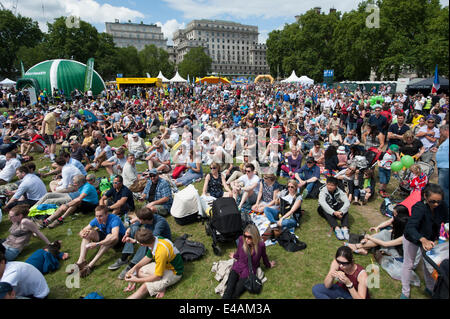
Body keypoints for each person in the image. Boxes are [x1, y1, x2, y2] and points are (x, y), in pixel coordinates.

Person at [400, 184, 449, 299]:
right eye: (433, 201)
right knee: (409, 264)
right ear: (425, 197)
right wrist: (422, 239)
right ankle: (405, 292)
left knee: (429, 265)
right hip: (413, 237)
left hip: (430, 239)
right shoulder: (419, 207)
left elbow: (447, 220)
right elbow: (410, 228)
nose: (436, 204)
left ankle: (430, 288)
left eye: (439, 201)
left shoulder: (443, 206)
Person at [110, 207, 172, 280]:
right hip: (150, 237)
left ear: (145, 220)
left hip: (160, 242)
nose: (138, 220)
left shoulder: (160, 222)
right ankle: (124, 258)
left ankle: (132, 266)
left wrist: (136, 241)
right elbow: (135, 224)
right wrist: (128, 230)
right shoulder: (147, 219)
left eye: (139, 219)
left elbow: (152, 240)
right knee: (134, 229)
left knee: (145, 241)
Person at [123, 228, 184, 299]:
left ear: (142, 244)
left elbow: (157, 276)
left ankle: (161, 285)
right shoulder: (155, 239)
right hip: (164, 266)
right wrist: (134, 268)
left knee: (144, 287)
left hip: (174, 272)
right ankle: (160, 285)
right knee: (139, 271)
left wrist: (136, 280)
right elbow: (148, 257)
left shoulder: (160, 252)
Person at [222, 224, 275, 299]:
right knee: (228, 290)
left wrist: (269, 265)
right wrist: (234, 256)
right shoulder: (241, 239)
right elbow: (238, 252)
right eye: (245, 236)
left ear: (255, 237)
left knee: (236, 293)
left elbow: (264, 256)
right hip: (238, 267)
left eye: (249, 237)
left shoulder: (261, 245)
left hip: (248, 272)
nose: (246, 239)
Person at [72, 205, 126, 278]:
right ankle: (81, 261)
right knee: (88, 233)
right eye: (96, 216)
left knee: (109, 237)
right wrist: (82, 233)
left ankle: (90, 266)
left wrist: (97, 244)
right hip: (106, 236)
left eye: (100, 216)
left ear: (107, 214)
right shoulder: (96, 219)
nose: (98, 218)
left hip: (120, 241)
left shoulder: (114, 219)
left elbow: (115, 236)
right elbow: (84, 229)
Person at [345, 204, 410, 256]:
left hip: (399, 253)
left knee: (381, 237)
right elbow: (389, 229)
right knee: (384, 232)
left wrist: (369, 237)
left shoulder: (405, 236)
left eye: (395, 214)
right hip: (395, 243)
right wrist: (369, 238)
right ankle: (362, 248)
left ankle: (356, 246)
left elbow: (385, 244)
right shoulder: (400, 223)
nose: (393, 216)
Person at [318, 176, 351, 241]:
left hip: (335, 207)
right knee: (323, 208)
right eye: (328, 184)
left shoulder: (339, 191)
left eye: (332, 185)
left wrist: (341, 211)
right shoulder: (323, 191)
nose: (330, 187)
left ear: (336, 186)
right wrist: (333, 212)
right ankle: (336, 228)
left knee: (343, 206)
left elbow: (347, 202)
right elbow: (322, 203)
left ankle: (345, 228)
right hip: (324, 210)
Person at [432, 124, 449, 207]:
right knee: (443, 189)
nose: (440, 134)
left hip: (446, 168)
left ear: (446, 131)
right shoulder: (446, 141)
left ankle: (446, 208)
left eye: (441, 132)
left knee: (443, 189)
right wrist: (438, 150)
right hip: (442, 167)